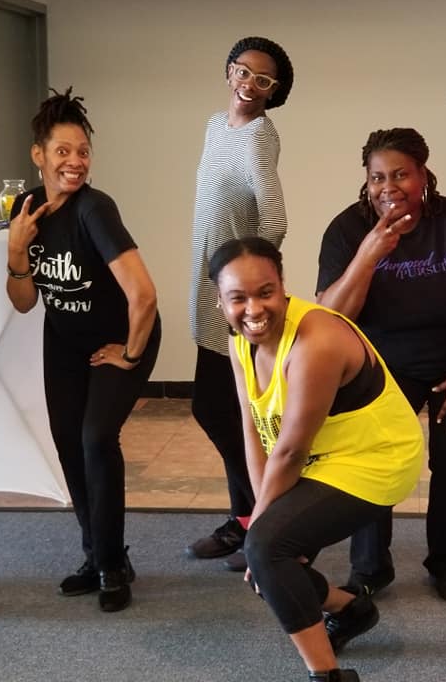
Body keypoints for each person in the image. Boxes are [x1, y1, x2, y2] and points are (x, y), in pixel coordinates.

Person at [212, 236, 423, 682]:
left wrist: (261, 535)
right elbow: (254, 429)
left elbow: (290, 449)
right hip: (324, 457)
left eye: (265, 292)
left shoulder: (317, 340)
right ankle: (350, 610)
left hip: (377, 458)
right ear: (220, 303)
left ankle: (327, 676)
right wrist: (260, 519)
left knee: (268, 551)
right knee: (267, 555)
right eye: (238, 298)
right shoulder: (239, 343)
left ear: (283, 286)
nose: (253, 309)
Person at [316, 128, 446, 603]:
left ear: (423, 174)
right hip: (382, 367)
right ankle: (370, 568)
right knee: (374, 463)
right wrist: (369, 253)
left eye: (401, 174)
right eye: (378, 177)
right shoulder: (347, 229)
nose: (388, 186)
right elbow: (331, 316)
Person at [7, 87, 160, 612]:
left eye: (83, 151)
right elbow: (25, 302)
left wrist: (132, 355)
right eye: (63, 151)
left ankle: (113, 565)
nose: (75, 161)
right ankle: (95, 553)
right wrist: (15, 249)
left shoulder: (96, 209)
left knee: (97, 437)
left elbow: (143, 294)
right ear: (39, 154)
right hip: (65, 341)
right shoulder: (27, 209)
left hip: (122, 338)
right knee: (69, 443)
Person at [187, 36, 294, 571]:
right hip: (209, 293)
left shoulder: (258, 138)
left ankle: (258, 518)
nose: (250, 84)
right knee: (219, 408)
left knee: (226, 409)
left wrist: (252, 288)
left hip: (237, 300)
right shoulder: (213, 126)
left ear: (274, 92)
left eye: (264, 80)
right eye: (244, 72)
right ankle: (249, 516)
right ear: (230, 72)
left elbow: (273, 218)